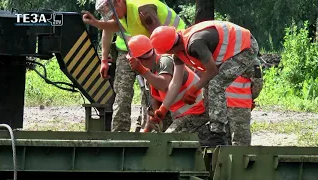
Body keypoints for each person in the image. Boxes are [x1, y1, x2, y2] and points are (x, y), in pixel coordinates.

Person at [149, 20, 262, 146]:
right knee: (209, 86)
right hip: (233, 49)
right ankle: (213, 128)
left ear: (168, 49)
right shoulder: (179, 52)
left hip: (245, 46)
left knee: (216, 83)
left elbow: (212, 71)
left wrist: (193, 89)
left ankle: (217, 134)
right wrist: (163, 109)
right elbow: (175, 82)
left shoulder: (194, 44)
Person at [82, 0, 186, 132]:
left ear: (119, 2)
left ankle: (150, 129)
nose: (113, 18)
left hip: (166, 46)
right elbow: (112, 26)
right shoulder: (116, 10)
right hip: (133, 48)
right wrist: (103, 58)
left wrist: (149, 70)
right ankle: (120, 133)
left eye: (113, 15)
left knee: (152, 92)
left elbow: (160, 39)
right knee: (123, 92)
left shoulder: (143, 10)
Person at [126, 34, 213, 146]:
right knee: (158, 138)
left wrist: (142, 70)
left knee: (164, 144)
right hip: (182, 115)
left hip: (197, 112)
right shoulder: (150, 72)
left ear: (138, 59)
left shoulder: (164, 61)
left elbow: (164, 85)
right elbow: (155, 102)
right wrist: (147, 130)